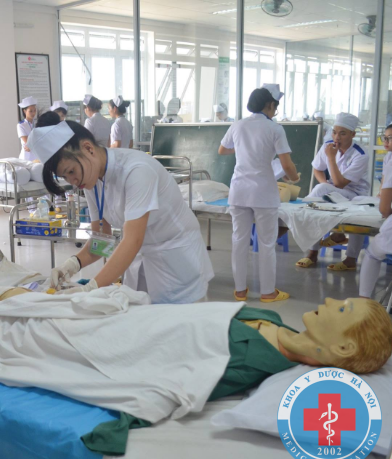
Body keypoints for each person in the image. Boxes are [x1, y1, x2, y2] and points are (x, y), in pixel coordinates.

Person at [0, 255, 392, 454]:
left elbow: (179, 385)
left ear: (343, 347)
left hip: (111, 346)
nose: (331, 299)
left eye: (343, 308)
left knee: (5, 331)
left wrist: (124, 424)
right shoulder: (278, 324)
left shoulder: (259, 364)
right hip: (130, 320)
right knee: (46, 302)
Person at [28, 120, 214, 304]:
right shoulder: (91, 180)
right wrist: (72, 264)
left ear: (88, 148)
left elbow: (133, 240)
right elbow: (103, 241)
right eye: (65, 177)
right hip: (140, 260)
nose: (73, 181)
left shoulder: (137, 171)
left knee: (179, 321)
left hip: (176, 260)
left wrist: (91, 288)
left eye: (71, 171)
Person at [218, 84, 299, 303]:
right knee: (266, 243)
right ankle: (267, 292)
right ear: (269, 104)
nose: (275, 111)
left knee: (239, 240)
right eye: (275, 106)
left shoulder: (238, 125)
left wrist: (243, 149)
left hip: (239, 191)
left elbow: (222, 150)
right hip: (263, 192)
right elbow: (287, 164)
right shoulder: (275, 129)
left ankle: (240, 291)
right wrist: (294, 178)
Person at [295, 113, 369, 271]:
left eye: (342, 133)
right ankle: (312, 253)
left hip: (356, 195)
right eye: (334, 132)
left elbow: (340, 184)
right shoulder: (328, 146)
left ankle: (350, 259)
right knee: (318, 200)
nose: (336, 137)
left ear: (353, 134)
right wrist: (326, 187)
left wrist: (330, 158)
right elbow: (317, 169)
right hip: (334, 189)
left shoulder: (360, 154)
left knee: (359, 217)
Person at [359, 124, 392, 298]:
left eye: (390, 138)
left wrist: (387, 214)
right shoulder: (389, 157)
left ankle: (363, 301)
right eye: (384, 137)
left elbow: (384, 208)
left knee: (372, 253)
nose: (385, 141)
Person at [17, 96, 37, 161]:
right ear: (24, 111)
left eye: (34, 110)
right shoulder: (21, 125)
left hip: (37, 155)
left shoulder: (37, 123)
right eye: (30, 111)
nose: (33, 113)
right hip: (26, 156)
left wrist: (31, 145)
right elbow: (27, 141)